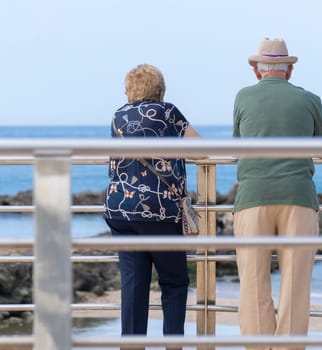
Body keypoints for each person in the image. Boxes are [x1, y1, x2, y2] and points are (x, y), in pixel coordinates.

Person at [232, 38, 322, 350]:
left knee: (252, 282)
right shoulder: (309, 99)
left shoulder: (243, 97)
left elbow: (237, 146)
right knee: (295, 283)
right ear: (289, 70)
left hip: (252, 196)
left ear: (256, 70)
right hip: (298, 196)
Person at [103, 64, 200, 347]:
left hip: (120, 208)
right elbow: (201, 148)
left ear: (130, 90)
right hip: (159, 210)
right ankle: (173, 345)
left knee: (133, 287)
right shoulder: (167, 112)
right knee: (173, 282)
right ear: (160, 89)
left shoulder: (118, 115)